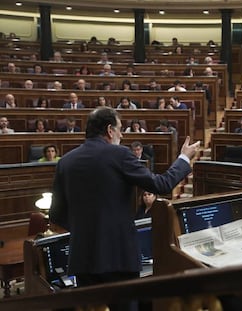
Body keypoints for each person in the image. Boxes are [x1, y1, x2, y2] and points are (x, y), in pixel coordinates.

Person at [50, 107, 200, 311]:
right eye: (120, 129)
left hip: (82, 259)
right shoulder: (119, 154)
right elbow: (162, 185)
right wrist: (184, 158)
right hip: (118, 257)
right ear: (110, 130)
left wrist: (84, 230)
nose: (122, 134)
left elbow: (56, 215)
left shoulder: (65, 162)